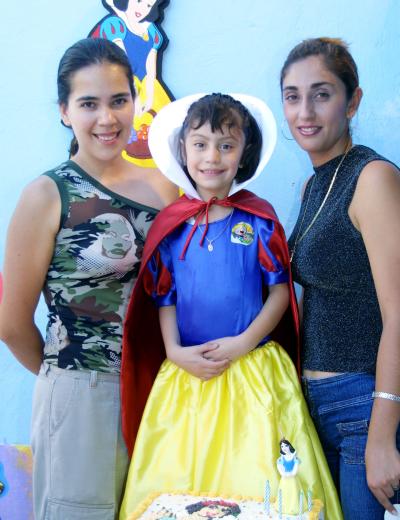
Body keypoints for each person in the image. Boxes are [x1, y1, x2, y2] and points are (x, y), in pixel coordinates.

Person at [118, 93, 343, 518]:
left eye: (226, 145)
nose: (212, 157)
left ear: (244, 153)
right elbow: (164, 296)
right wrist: (173, 351)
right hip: (188, 378)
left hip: (252, 375)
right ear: (182, 150)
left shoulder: (258, 221)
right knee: (185, 486)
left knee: (259, 484)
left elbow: (280, 292)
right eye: (200, 144)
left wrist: (244, 343)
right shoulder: (172, 227)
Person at [0, 37, 177, 519]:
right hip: (81, 395)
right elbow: (11, 323)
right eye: (88, 104)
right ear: (64, 111)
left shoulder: (165, 185)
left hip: (162, 392)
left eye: (119, 100)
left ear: (135, 103)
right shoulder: (46, 194)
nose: (107, 118)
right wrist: (72, 380)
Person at [281, 37, 400, 519]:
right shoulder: (313, 184)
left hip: (363, 408)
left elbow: (399, 311)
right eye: (292, 95)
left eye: (321, 93)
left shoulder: (372, 177)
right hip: (317, 409)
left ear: (353, 101)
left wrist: (381, 435)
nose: (305, 111)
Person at [91, 0, 172, 164]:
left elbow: (151, 72)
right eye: (139, 1)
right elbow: (122, 66)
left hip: (147, 85)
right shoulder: (114, 25)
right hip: (120, 86)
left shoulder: (153, 33)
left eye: (149, 5)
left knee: (162, 132)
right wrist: (133, 97)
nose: (142, 9)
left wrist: (148, 98)